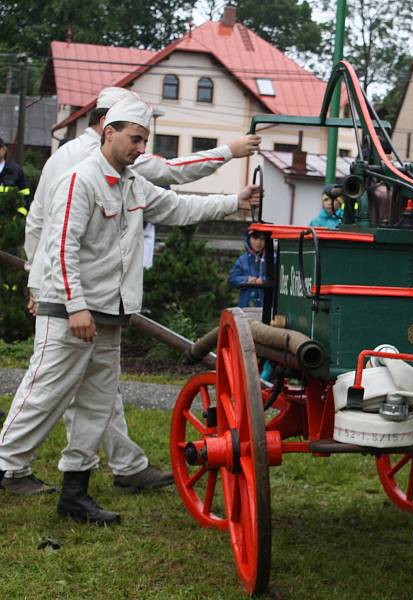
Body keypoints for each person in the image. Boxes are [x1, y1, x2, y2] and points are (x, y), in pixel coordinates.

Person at [0, 95, 261, 524]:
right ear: (109, 131)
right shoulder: (78, 179)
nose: (141, 148)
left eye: (145, 140)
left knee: (97, 404)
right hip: (70, 314)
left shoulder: (133, 184)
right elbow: (59, 247)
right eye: (136, 139)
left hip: (109, 314)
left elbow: (179, 207)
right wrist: (76, 306)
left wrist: (234, 201)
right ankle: (7, 467)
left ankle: (74, 494)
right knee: (43, 395)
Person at [229, 230, 268, 308]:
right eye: (255, 238)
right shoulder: (242, 259)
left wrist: (264, 281)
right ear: (248, 239)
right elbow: (232, 278)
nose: (258, 243)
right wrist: (247, 280)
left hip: (266, 306)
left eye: (262, 239)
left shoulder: (272, 259)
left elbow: (277, 278)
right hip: (246, 305)